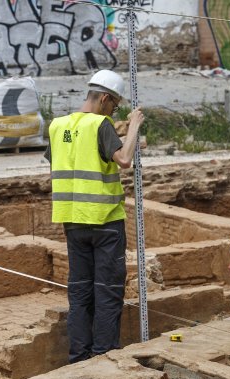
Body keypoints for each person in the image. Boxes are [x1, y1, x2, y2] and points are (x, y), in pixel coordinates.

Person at [44, 69, 145, 363]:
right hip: (105, 221)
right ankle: (102, 357)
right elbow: (123, 160)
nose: (114, 112)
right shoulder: (100, 124)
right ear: (103, 99)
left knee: (79, 293)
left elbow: (70, 159)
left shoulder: (57, 125)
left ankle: (78, 357)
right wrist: (134, 127)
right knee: (108, 292)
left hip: (73, 220)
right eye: (113, 106)